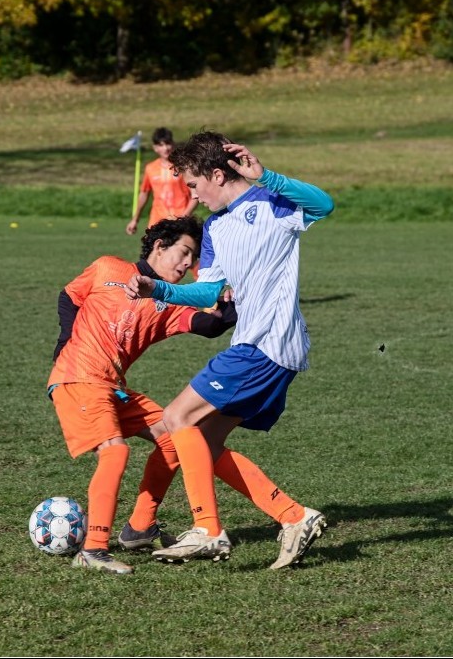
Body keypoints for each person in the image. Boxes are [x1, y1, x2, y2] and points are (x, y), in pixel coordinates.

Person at [125, 131, 334, 568]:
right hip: (254, 344)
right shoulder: (216, 228)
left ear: (218, 175)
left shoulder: (272, 203)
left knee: (176, 417)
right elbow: (207, 293)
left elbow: (325, 205)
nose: (193, 198)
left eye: (195, 186)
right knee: (201, 439)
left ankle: (208, 529)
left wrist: (268, 176)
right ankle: (293, 516)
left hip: (267, 344)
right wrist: (156, 287)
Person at [47, 216, 236, 575]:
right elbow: (69, 295)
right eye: (184, 253)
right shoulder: (107, 267)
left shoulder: (168, 302)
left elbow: (208, 325)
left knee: (172, 437)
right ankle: (93, 549)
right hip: (79, 379)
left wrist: (236, 304)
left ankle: (139, 527)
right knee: (115, 450)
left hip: (112, 388)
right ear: (159, 246)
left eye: (193, 259)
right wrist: (65, 342)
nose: (188, 265)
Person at [125, 127, 198, 236]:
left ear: (173, 144)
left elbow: (195, 194)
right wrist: (135, 219)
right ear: (155, 148)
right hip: (157, 222)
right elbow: (144, 193)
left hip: (180, 221)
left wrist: (184, 216)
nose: (166, 148)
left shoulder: (184, 166)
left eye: (168, 144)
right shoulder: (150, 168)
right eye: (161, 145)